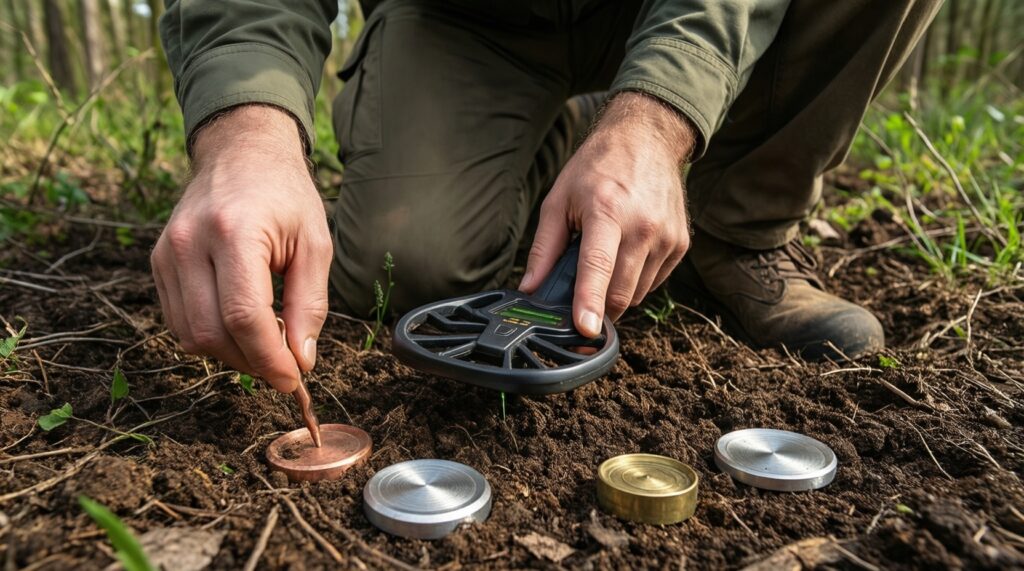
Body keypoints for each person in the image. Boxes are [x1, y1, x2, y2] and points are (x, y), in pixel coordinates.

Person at [151, 0, 942, 393]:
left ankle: (736, 226)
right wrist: (245, 135)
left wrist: (660, 116)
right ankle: (577, 136)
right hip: (472, 19)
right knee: (408, 265)